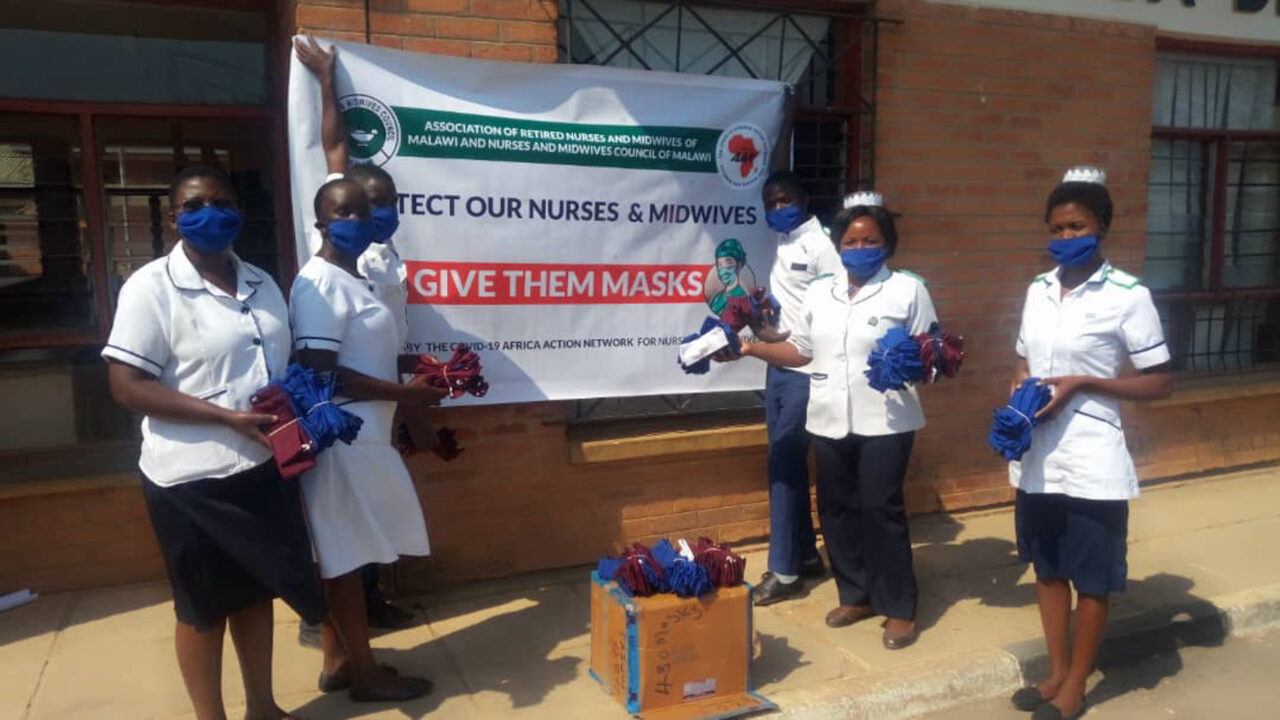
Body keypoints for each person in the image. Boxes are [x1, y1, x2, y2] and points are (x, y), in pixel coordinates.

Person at [103, 165, 325, 720]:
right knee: (203, 609)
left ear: (239, 212)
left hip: (261, 466)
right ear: (172, 218)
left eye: (222, 202)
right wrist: (225, 418)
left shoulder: (262, 281)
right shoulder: (151, 287)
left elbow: (277, 365)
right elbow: (126, 386)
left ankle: (263, 708)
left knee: (255, 591)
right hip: (190, 479)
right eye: (194, 205)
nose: (211, 213)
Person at [731, 190, 935, 649]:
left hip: (886, 421)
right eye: (851, 241)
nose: (860, 249)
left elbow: (929, 354)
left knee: (880, 510)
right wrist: (751, 348)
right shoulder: (820, 291)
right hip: (827, 416)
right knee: (836, 509)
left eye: (870, 240)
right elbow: (800, 351)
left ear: (887, 243)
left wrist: (914, 363)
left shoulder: (908, 290)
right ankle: (856, 594)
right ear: (838, 245)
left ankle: (898, 607)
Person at [1007, 167, 1173, 720]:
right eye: (1056, 229)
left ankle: (1078, 683)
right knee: (1048, 567)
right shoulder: (1037, 290)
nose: (1065, 237)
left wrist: (1084, 383)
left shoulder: (1128, 295)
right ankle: (1056, 670)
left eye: (1076, 227)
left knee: (1093, 577)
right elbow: (1023, 358)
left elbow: (1159, 381)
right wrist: (1019, 389)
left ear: (1101, 225)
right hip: (1038, 454)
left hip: (1093, 455)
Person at [290, 177, 444, 702]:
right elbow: (321, 371)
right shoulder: (318, 283)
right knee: (347, 560)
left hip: (368, 435)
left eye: (364, 211)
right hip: (345, 439)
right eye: (345, 212)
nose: (358, 221)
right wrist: (405, 394)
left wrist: (424, 370)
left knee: (351, 554)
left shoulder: (354, 278)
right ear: (321, 222)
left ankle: (339, 662)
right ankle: (366, 675)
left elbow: (365, 354)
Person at [294, 35, 418, 644]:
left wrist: (412, 392)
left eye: (387, 203)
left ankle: (369, 606)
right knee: (348, 523)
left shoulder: (386, 256)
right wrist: (326, 81)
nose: (376, 214)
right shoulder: (337, 260)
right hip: (351, 411)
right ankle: (333, 627)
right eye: (368, 205)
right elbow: (335, 149)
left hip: (382, 405)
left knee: (373, 520)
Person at [748, 171, 843, 607]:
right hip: (780, 366)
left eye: (785, 200)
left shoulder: (823, 246)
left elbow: (837, 306)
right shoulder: (782, 243)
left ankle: (785, 573)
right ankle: (804, 555)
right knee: (782, 463)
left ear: (804, 199)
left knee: (785, 466)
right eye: (771, 203)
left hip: (807, 369)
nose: (778, 208)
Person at [707, 238, 750, 315]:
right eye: (720, 264)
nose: (724, 269)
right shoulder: (718, 297)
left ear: (739, 265)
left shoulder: (741, 296)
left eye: (729, 263)